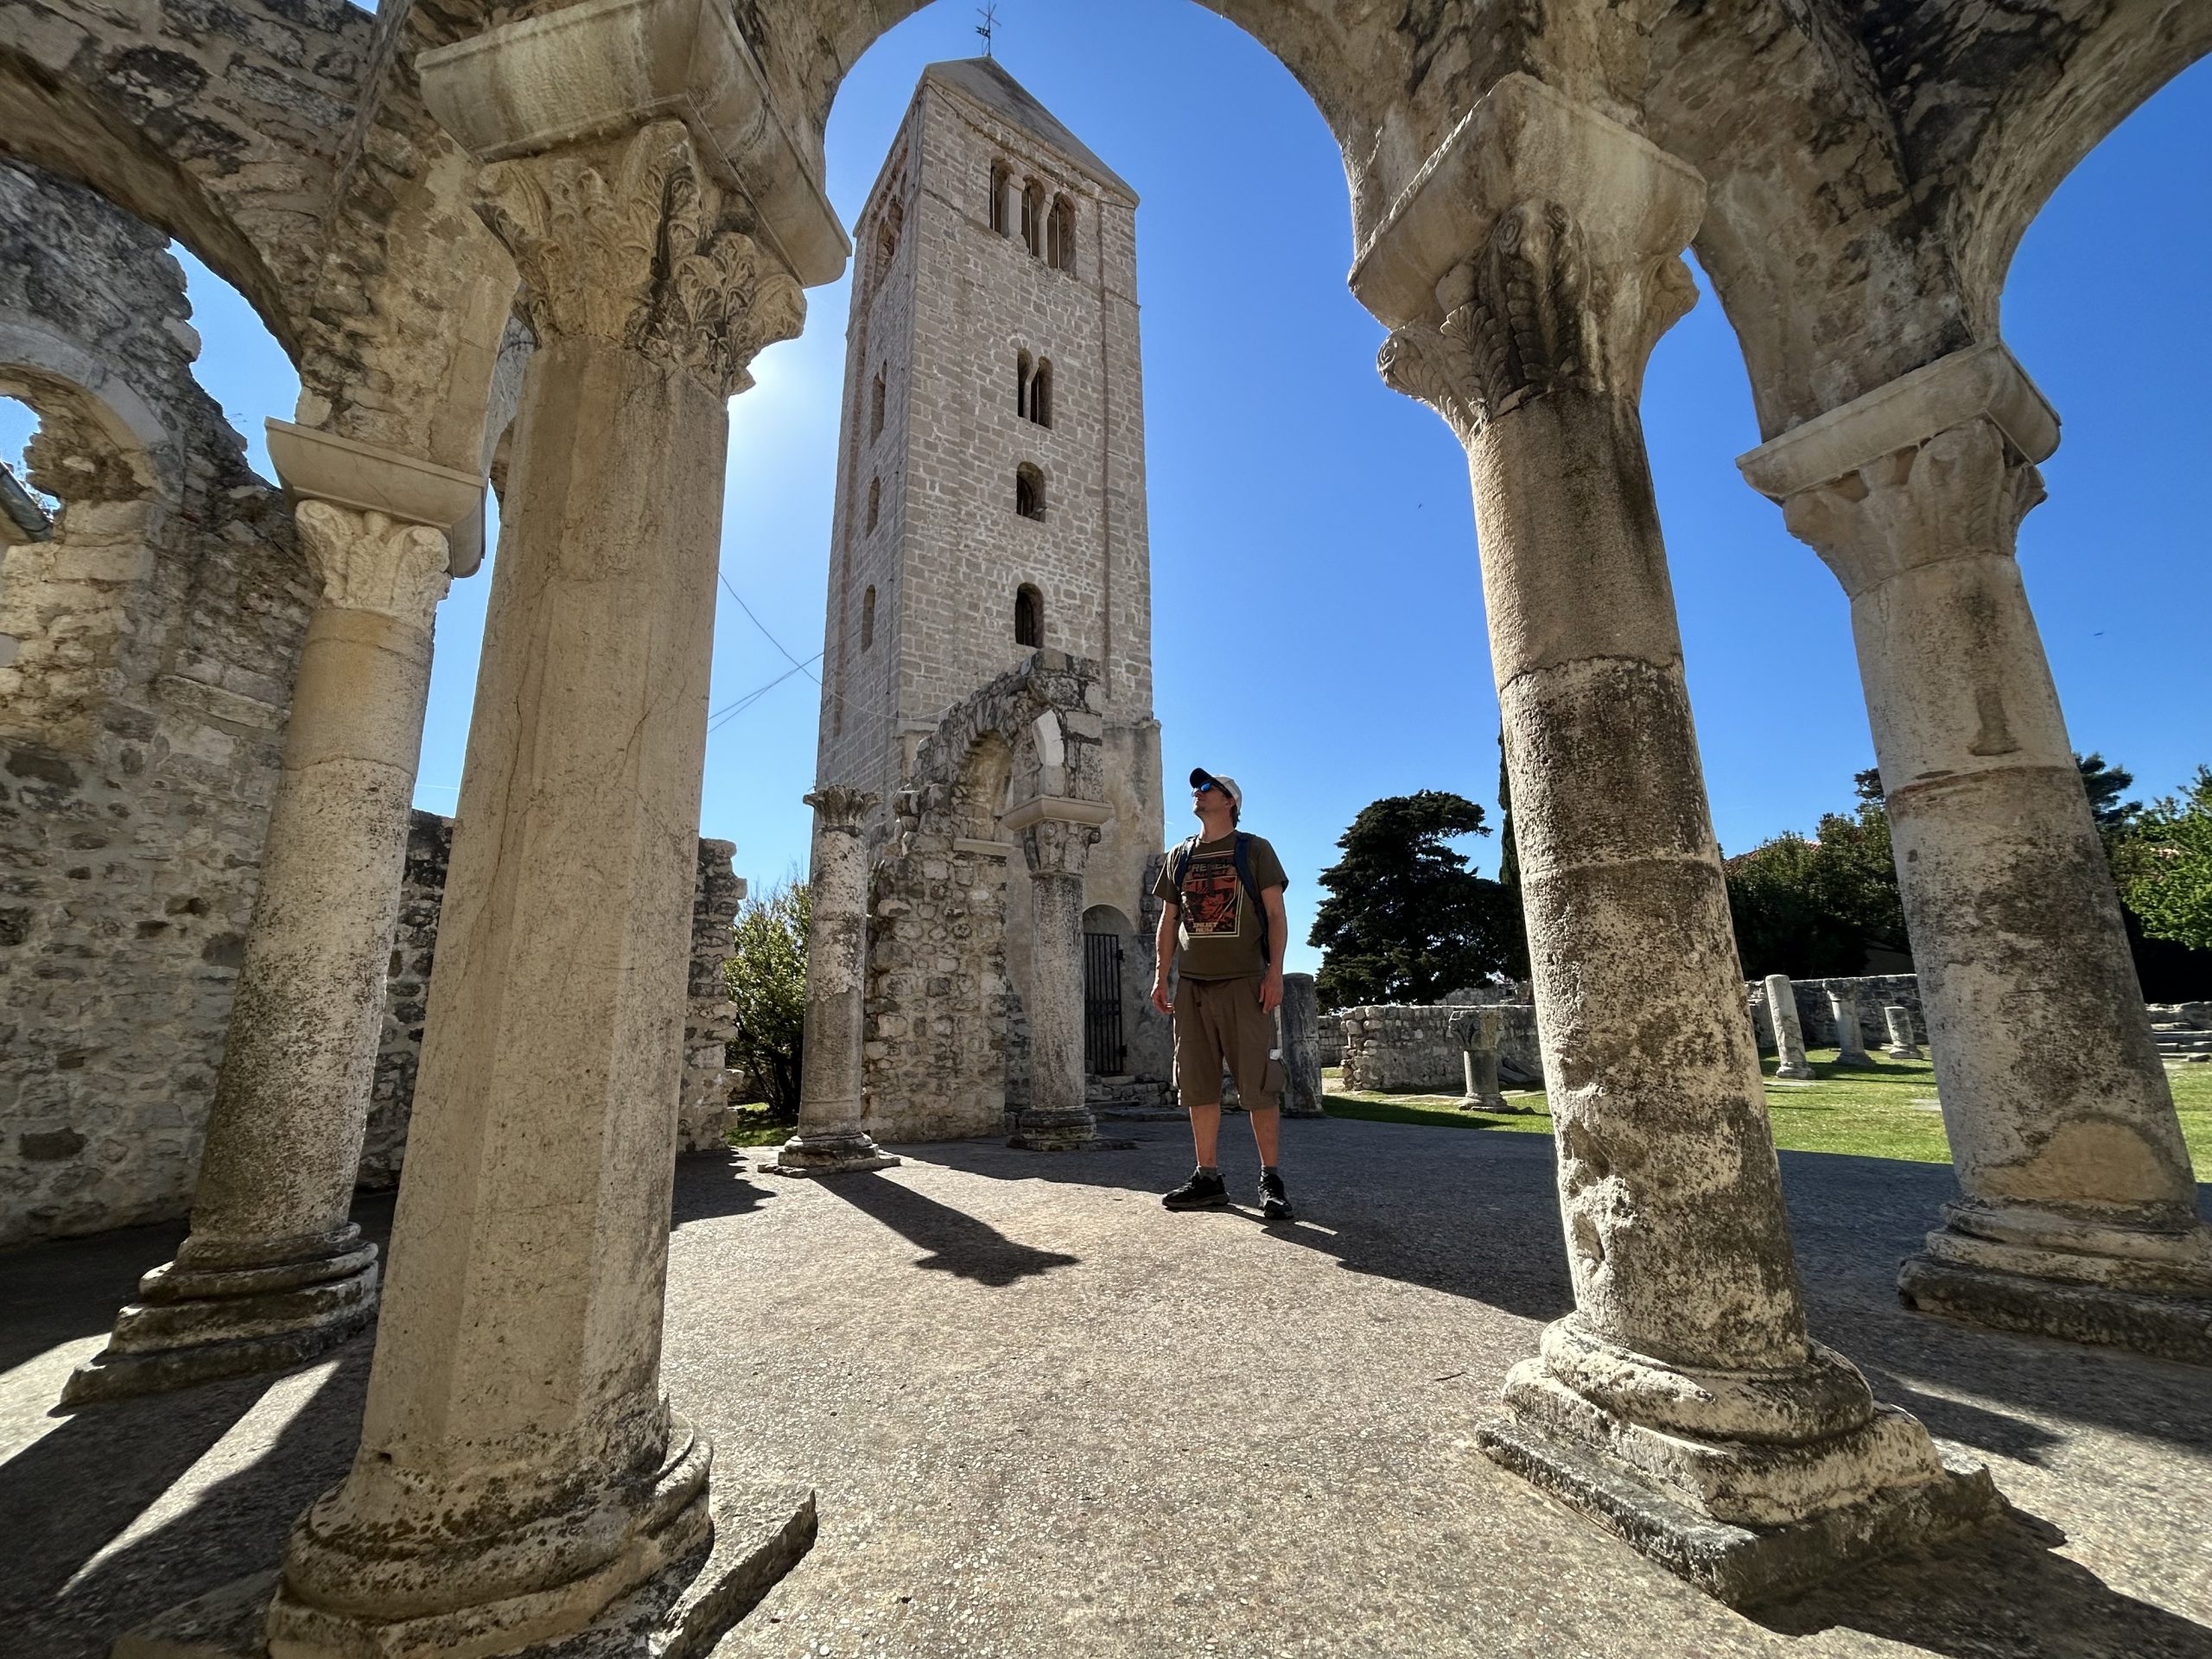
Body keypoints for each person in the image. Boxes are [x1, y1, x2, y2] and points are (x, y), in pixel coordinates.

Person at [1151, 768, 1294, 1219]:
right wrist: (1161, 975)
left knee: (1258, 1082)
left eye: (1208, 787)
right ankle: (1207, 1177)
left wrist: (1275, 973)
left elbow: (1275, 914)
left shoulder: (1254, 850)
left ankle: (1271, 1179)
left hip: (1244, 982)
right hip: (1192, 985)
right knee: (1197, 1082)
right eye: (1197, 787)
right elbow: (1169, 920)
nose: (1198, 792)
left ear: (1230, 800)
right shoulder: (1179, 856)